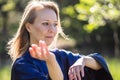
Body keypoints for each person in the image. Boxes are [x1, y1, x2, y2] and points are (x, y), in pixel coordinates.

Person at [7, 0, 113, 80]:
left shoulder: (60, 56)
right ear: (29, 27)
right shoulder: (22, 66)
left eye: (55, 24)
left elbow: (100, 63)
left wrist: (83, 60)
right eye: (45, 23)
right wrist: (51, 61)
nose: (52, 30)